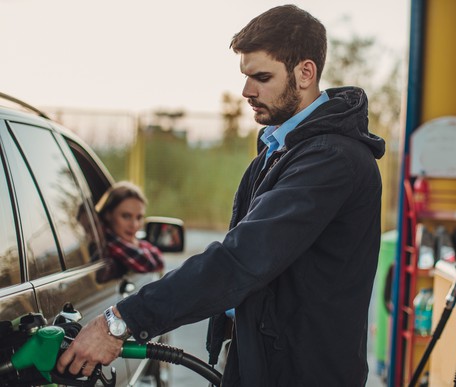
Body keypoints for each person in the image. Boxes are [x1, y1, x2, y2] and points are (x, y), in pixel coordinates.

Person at [57, 5, 385, 386]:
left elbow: (242, 258)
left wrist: (121, 320)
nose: (247, 91)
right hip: (269, 361)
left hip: (302, 372)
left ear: (305, 72)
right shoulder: (281, 150)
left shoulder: (331, 160)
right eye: (246, 76)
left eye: (262, 77)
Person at [97, 181, 164, 274]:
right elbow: (149, 265)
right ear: (108, 214)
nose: (134, 225)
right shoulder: (109, 243)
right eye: (126, 216)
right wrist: (136, 244)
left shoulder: (128, 241)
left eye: (139, 217)